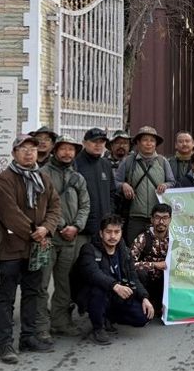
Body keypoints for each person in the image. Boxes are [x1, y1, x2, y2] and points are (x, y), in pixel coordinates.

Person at [0, 135, 61, 364]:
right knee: (6, 296)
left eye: (33, 149)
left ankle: (28, 337)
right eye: (23, 149)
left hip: (37, 248)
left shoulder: (43, 178)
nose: (29, 153)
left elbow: (55, 206)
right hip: (13, 248)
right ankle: (5, 344)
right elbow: (9, 213)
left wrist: (47, 228)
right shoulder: (4, 179)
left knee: (32, 293)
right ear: (14, 153)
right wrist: (35, 232)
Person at [37, 135, 90, 340]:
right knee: (41, 284)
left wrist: (76, 226)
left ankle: (60, 322)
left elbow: (85, 205)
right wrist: (59, 227)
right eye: (63, 149)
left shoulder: (78, 178)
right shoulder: (42, 174)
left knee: (65, 283)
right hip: (48, 238)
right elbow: (40, 206)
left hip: (70, 240)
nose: (67, 153)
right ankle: (40, 325)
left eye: (71, 149)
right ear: (55, 150)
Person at [75, 214, 155, 345]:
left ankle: (108, 316)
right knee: (98, 287)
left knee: (142, 317)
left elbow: (133, 275)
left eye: (117, 232)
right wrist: (115, 286)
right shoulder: (89, 249)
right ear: (101, 233)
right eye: (108, 232)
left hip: (116, 295)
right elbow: (93, 273)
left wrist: (144, 297)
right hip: (93, 294)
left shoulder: (123, 251)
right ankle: (98, 327)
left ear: (121, 233)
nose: (113, 236)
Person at [115, 126, 175, 246]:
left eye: (152, 140)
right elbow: (115, 182)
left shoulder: (163, 162)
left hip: (158, 218)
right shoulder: (128, 161)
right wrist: (124, 185)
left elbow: (172, 182)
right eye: (145, 140)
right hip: (135, 217)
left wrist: (165, 185)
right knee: (133, 250)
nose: (149, 143)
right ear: (138, 142)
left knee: (157, 250)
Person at [74, 128, 116, 241]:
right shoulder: (75, 164)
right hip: (82, 230)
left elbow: (112, 193)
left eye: (101, 142)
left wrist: (110, 214)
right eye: (94, 142)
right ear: (84, 143)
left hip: (104, 228)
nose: (98, 145)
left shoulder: (106, 165)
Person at [131, 203, 172, 316]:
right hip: (148, 282)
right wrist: (153, 265)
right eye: (158, 217)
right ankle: (144, 303)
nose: (161, 222)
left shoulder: (175, 238)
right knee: (140, 273)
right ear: (152, 219)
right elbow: (129, 265)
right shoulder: (143, 238)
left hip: (166, 282)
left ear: (170, 219)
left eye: (165, 218)